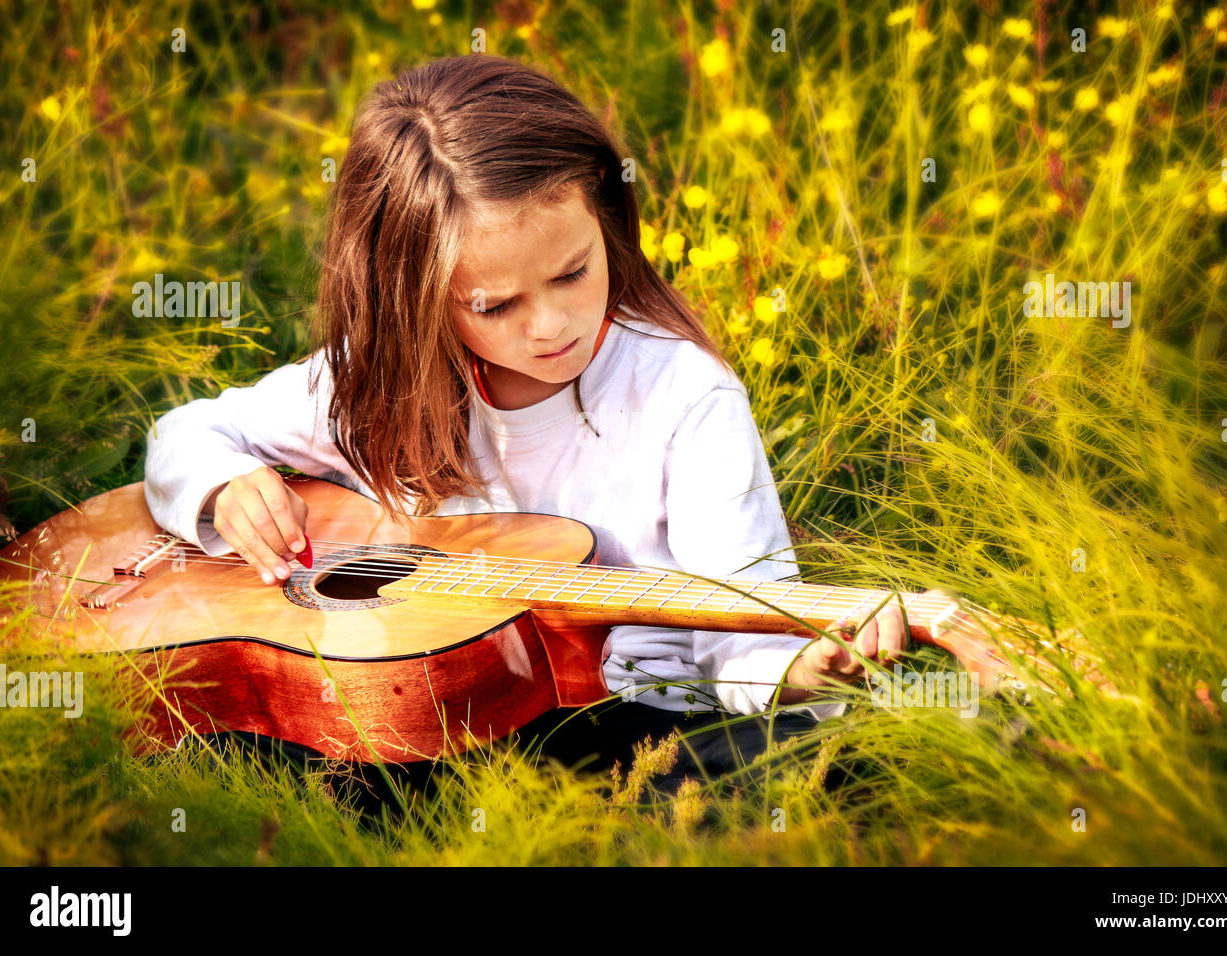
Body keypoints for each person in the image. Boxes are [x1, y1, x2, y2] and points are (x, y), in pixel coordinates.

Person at [143, 54, 910, 810]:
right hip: (440, 716)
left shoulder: (684, 395)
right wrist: (224, 488)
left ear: (605, 218)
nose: (551, 326)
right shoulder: (382, 381)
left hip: (635, 723)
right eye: (495, 305)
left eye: (573, 272)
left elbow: (744, 634)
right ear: (416, 302)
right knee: (217, 740)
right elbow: (188, 432)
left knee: (791, 773)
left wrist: (809, 667)